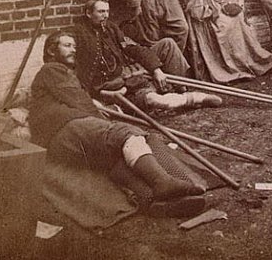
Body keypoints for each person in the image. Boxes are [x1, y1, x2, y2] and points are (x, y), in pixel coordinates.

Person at [28, 31, 205, 213]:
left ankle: (154, 201)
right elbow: (79, 101)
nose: (73, 50)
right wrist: (109, 126)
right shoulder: (52, 69)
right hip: (62, 127)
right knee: (125, 134)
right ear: (51, 50)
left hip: (65, 133)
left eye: (74, 46)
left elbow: (81, 99)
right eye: (67, 46)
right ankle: (163, 182)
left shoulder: (63, 74)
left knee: (128, 148)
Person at [74, 0, 222, 111]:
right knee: (157, 101)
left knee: (168, 44)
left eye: (107, 11)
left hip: (128, 71)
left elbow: (132, 48)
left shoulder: (111, 28)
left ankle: (179, 88)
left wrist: (155, 68)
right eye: (101, 12)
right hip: (115, 82)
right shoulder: (80, 34)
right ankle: (191, 98)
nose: (105, 15)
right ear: (88, 13)